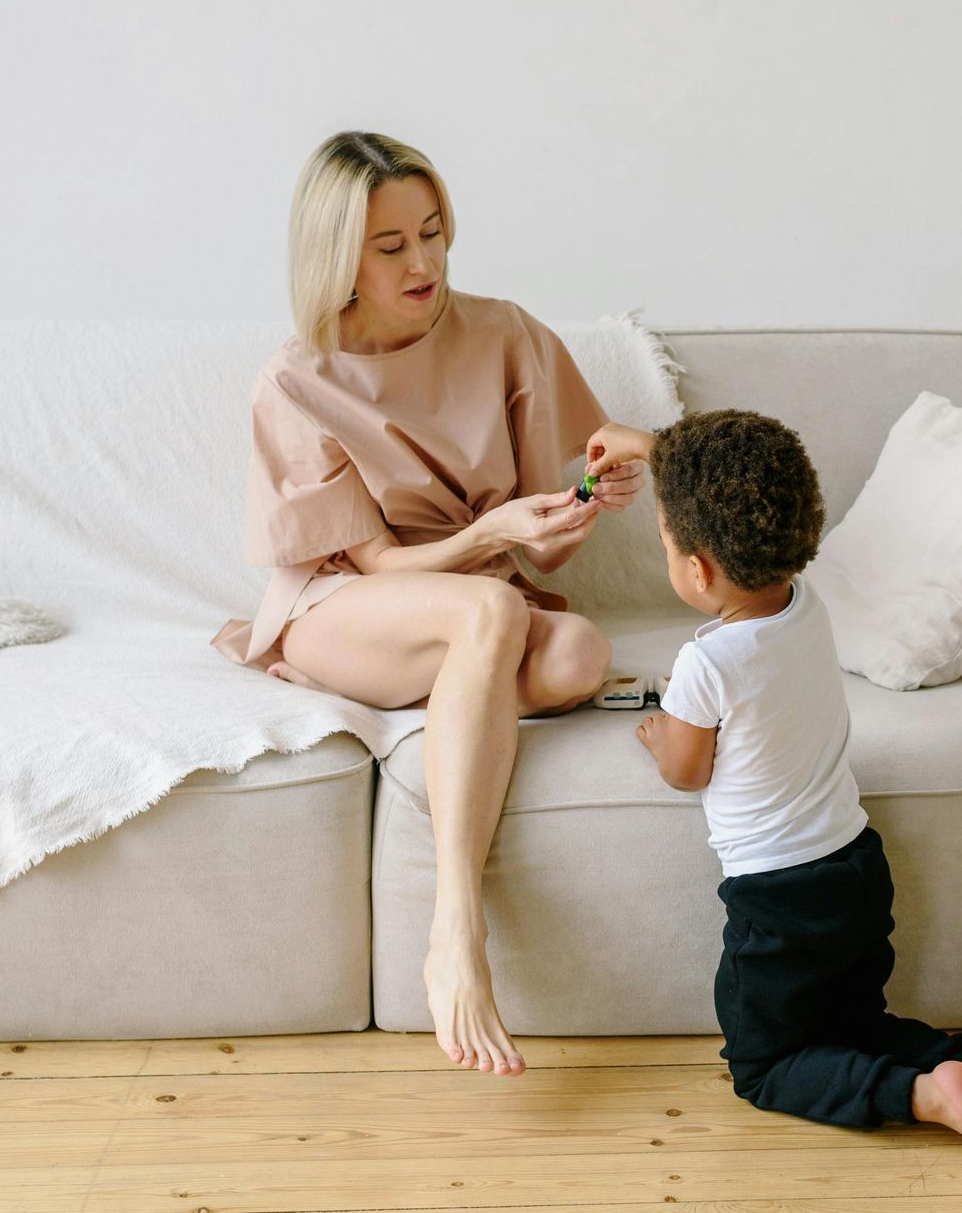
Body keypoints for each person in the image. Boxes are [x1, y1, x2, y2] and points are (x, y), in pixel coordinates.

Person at [213, 131, 652, 1076]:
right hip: (353, 598)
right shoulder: (295, 381)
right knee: (489, 618)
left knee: (575, 654)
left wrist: (619, 471)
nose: (426, 263)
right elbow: (374, 565)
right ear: (340, 260)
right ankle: (457, 926)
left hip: (467, 599)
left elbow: (588, 447)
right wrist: (498, 538)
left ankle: (445, 691)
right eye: (391, 247)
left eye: (435, 232)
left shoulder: (504, 332)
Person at [587, 409, 962, 1165]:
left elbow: (685, 772)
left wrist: (665, 729)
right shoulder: (805, 605)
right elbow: (730, 478)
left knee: (764, 1067)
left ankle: (927, 1096)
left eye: (668, 544)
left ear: (697, 571)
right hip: (855, 867)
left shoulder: (706, 665)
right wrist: (644, 446)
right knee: (856, 1021)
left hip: (778, 902)